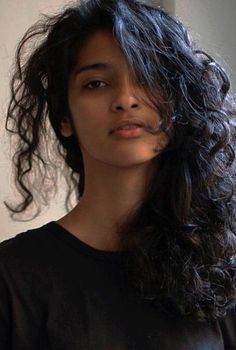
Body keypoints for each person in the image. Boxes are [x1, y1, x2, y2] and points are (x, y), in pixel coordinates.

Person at [0, 0, 236, 348]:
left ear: (178, 102)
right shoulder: (12, 277)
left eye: (148, 77)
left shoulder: (220, 265)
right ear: (64, 118)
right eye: (96, 83)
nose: (126, 99)